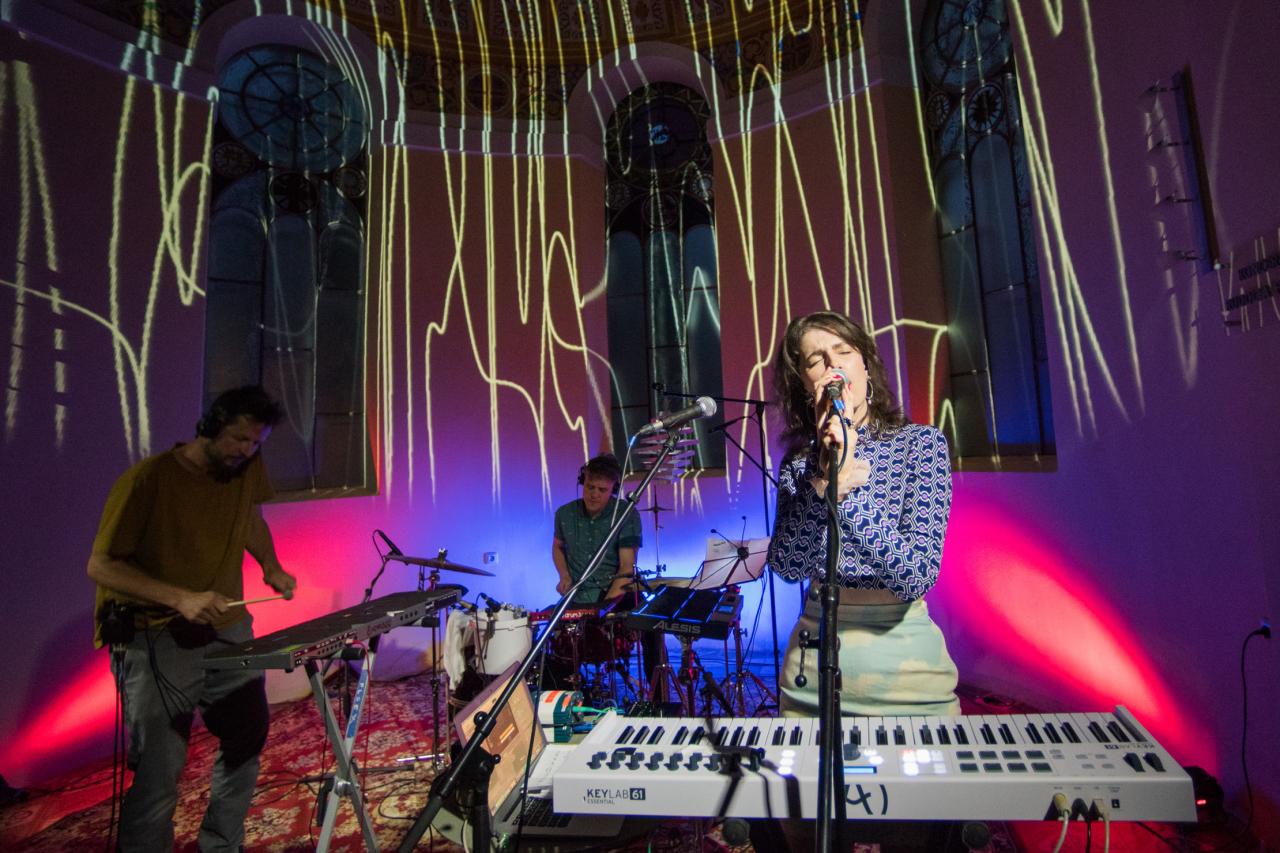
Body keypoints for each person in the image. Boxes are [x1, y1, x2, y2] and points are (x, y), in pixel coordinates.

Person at [87, 385, 297, 853]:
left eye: (256, 443)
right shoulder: (149, 480)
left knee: (247, 735)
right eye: (239, 439)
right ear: (210, 426)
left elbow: (249, 517)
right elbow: (101, 565)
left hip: (227, 629)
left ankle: (221, 844)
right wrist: (180, 598)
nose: (247, 451)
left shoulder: (245, 467)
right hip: (156, 637)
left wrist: (271, 565)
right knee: (160, 766)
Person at [768, 310, 960, 718]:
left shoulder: (921, 445)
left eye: (843, 351)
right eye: (816, 359)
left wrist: (843, 491)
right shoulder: (799, 465)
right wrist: (824, 479)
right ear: (805, 384)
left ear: (866, 366)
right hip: (813, 666)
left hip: (906, 669)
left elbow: (915, 575)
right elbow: (787, 565)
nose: (832, 365)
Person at [552, 453, 642, 606]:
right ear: (583, 482)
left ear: (613, 488)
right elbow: (557, 546)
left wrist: (602, 609)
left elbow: (626, 568)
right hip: (577, 596)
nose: (594, 494)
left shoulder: (626, 513)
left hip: (614, 597)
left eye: (602, 490)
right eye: (590, 487)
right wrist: (564, 575)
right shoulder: (564, 514)